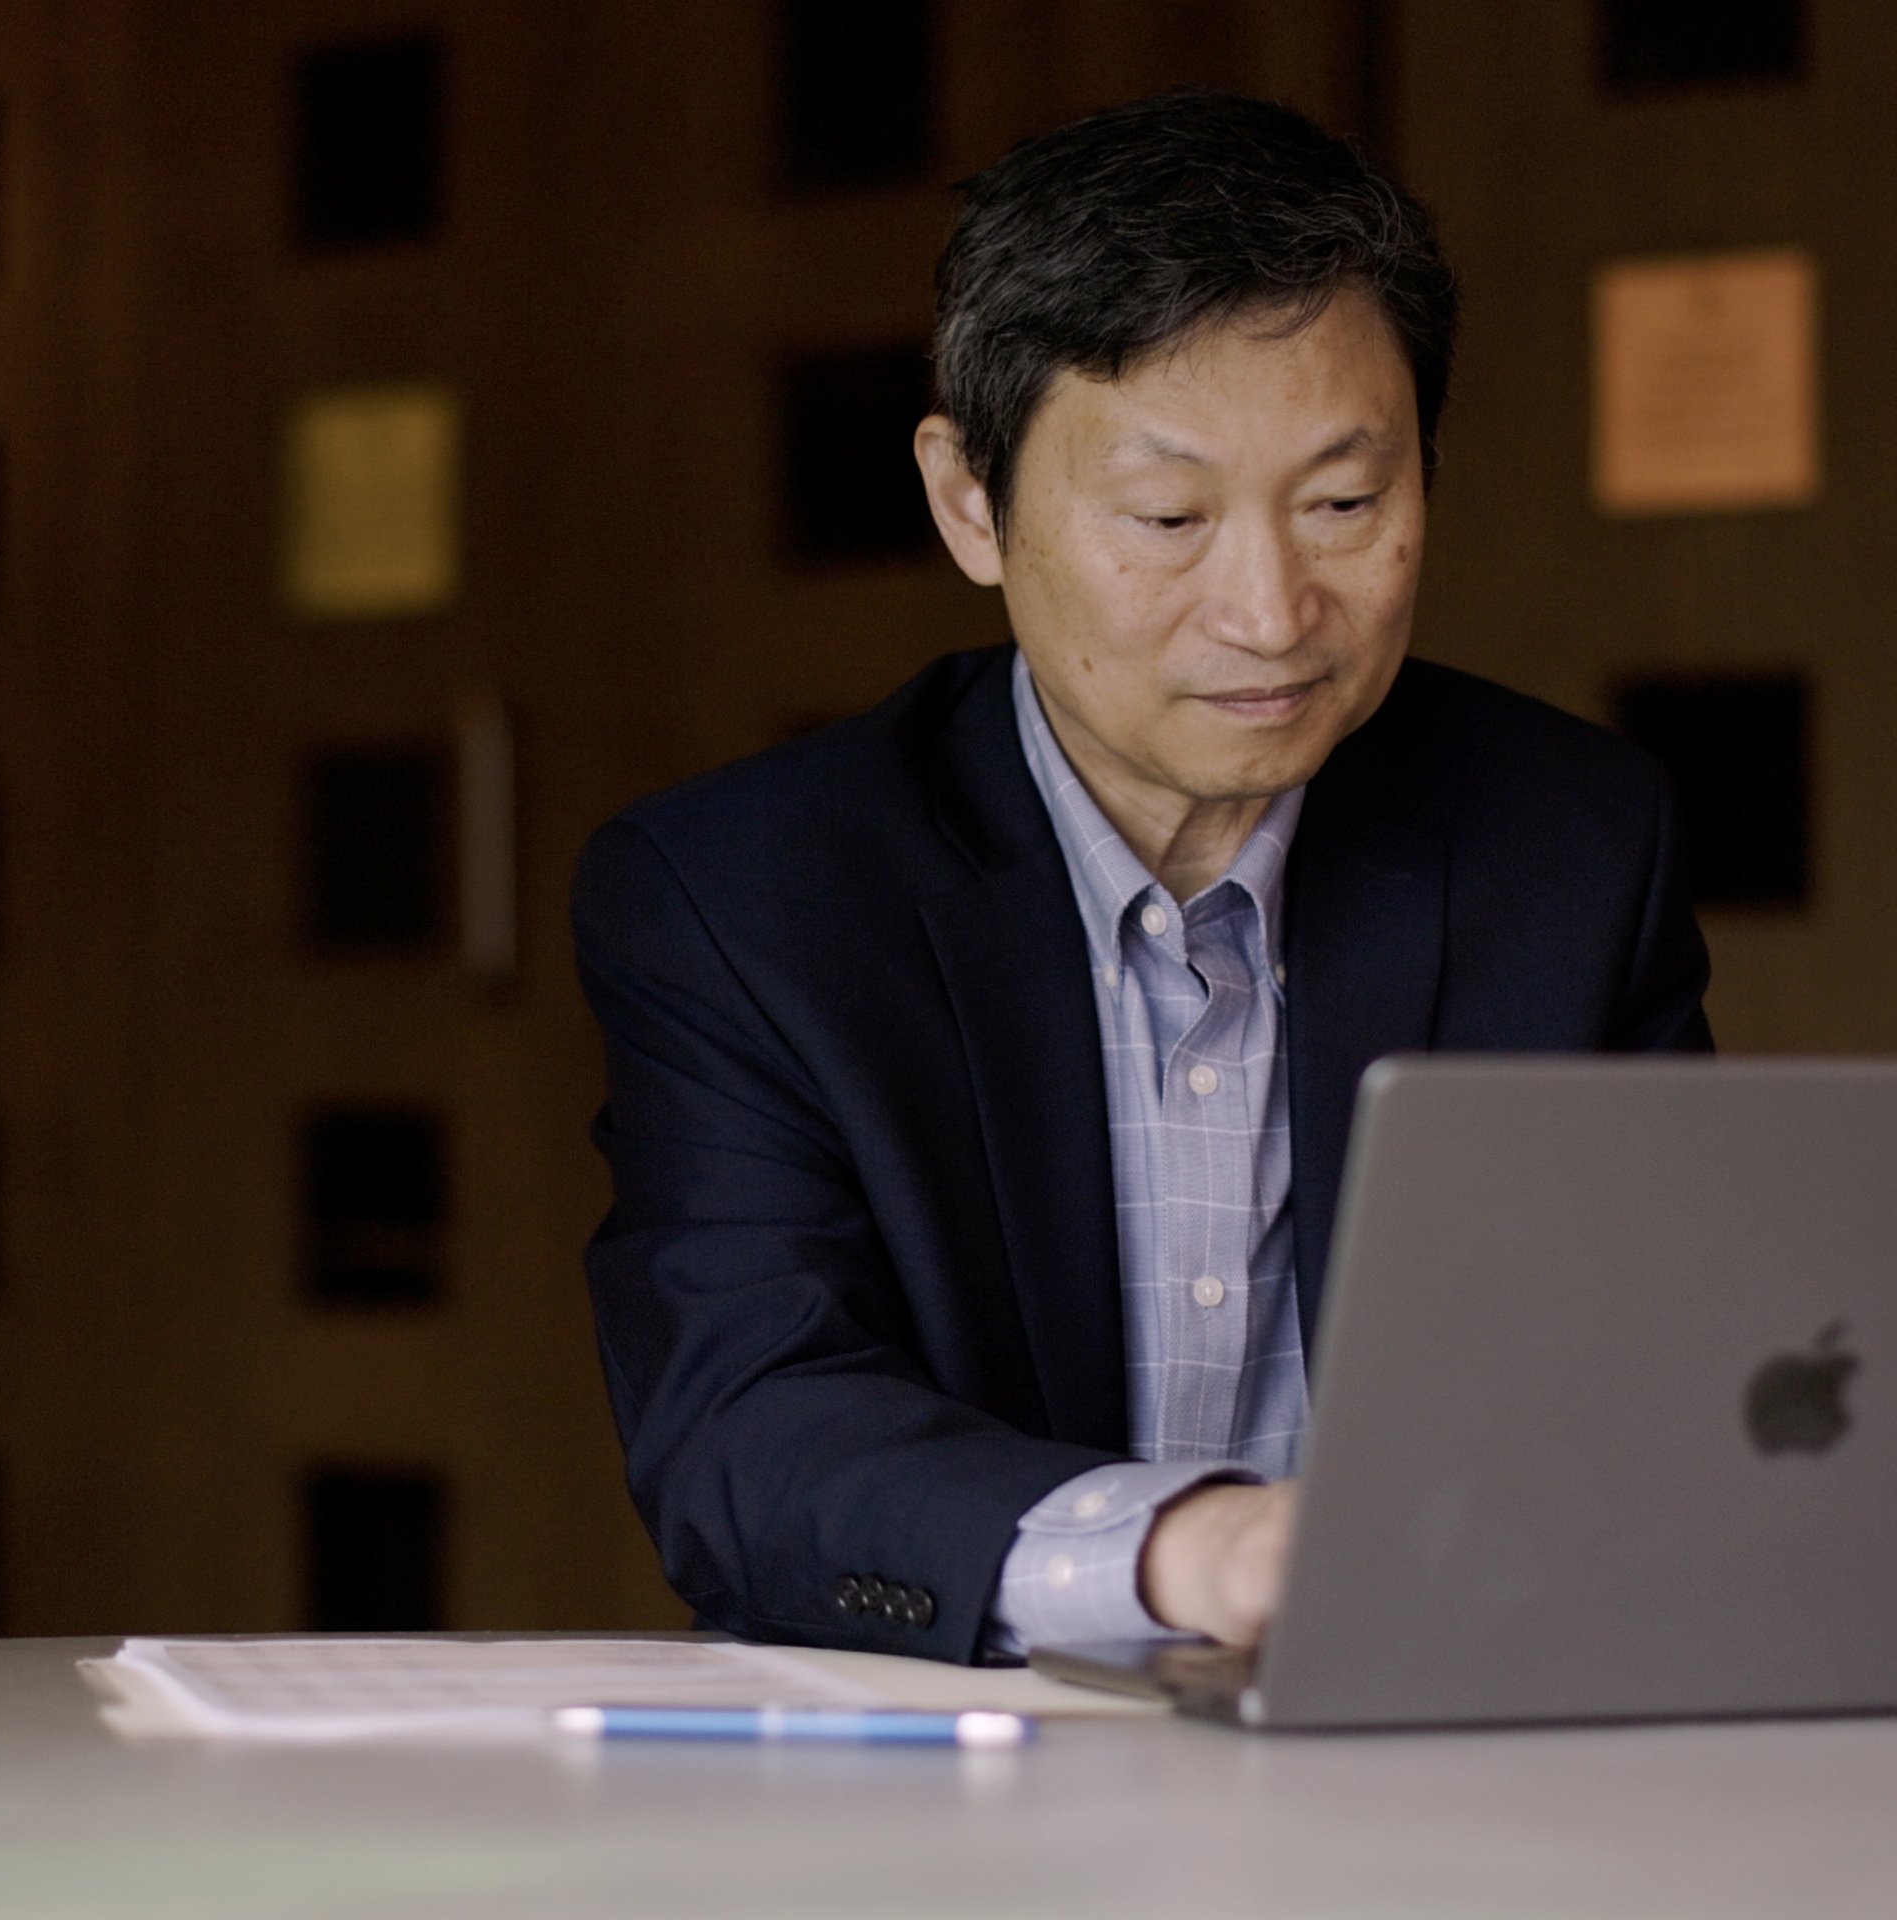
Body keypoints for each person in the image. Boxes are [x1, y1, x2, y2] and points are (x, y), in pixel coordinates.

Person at [571, 91, 1710, 1664]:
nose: (1270, 609)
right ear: (971, 502)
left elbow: (1683, 1369)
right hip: (950, 1783)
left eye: (1345, 505)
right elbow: (750, 1432)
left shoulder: (1569, 843)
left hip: (1448, 1751)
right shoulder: (744, 897)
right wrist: (1191, 1550)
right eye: (1170, 517)